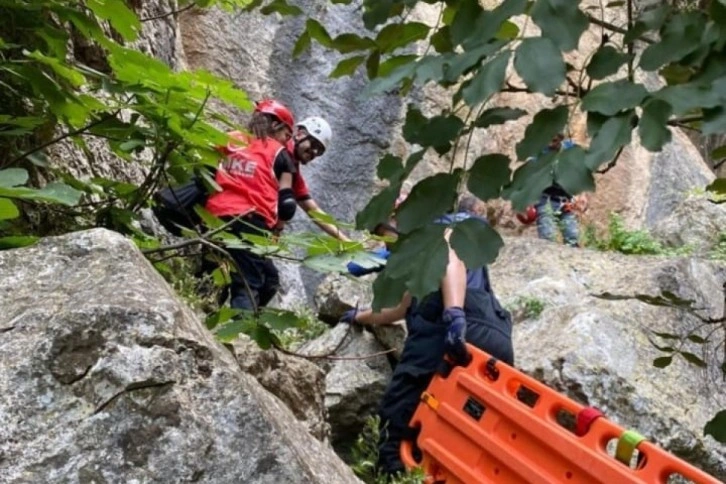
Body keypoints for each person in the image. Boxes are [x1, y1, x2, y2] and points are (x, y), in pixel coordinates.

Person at [340, 195, 514, 477]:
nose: (386, 244)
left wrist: (455, 314)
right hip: (494, 335)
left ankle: (393, 475)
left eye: (385, 235)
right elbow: (401, 308)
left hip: (448, 331)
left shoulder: (438, 231)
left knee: (394, 425)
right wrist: (359, 317)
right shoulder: (450, 244)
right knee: (464, 433)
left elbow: (449, 254)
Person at [204, 99, 299, 311]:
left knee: (212, 268)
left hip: (215, 214)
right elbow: (287, 206)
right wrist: (278, 228)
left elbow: (206, 166)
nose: (287, 141)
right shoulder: (279, 153)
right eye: (287, 135)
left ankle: (202, 311)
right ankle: (241, 331)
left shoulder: (232, 139)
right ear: (277, 126)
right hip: (253, 220)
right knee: (247, 281)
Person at [277, 116, 351, 242]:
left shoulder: (292, 168)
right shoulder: (279, 150)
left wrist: (346, 241)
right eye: (314, 144)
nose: (314, 152)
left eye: (320, 151)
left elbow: (313, 210)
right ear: (300, 134)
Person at [528, 133, 588, 247]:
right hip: (545, 200)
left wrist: (582, 195)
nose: (550, 143)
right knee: (547, 237)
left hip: (566, 200)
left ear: (560, 138)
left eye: (554, 140)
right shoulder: (538, 153)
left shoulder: (570, 150)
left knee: (572, 235)